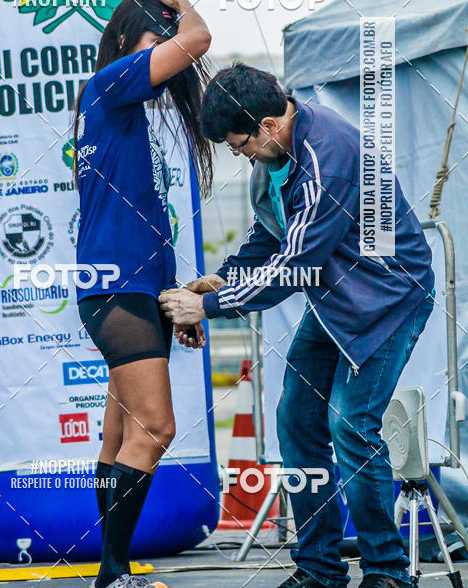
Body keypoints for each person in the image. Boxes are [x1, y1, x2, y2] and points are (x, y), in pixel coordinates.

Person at [160, 63, 435, 588]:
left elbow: (296, 265)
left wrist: (210, 310)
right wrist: (219, 280)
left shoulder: (325, 157)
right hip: (337, 299)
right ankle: (319, 570)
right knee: (296, 421)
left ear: (267, 125)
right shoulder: (275, 155)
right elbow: (268, 240)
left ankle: (388, 571)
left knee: (352, 426)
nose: (239, 156)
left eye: (240, 145)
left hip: (390, 299)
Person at [74, 0, 213, 588]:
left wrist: (177, 299)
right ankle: (113, 574)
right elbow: (199, 39)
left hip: (134, 287)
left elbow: (144, 224)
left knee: (122, 436)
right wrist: (178, 4)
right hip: (116, 290)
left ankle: (112, 572)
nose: (169, 59)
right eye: (156, 43)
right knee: (156, 430)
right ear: (128, 42)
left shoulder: (126, 112)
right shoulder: (111, 82)